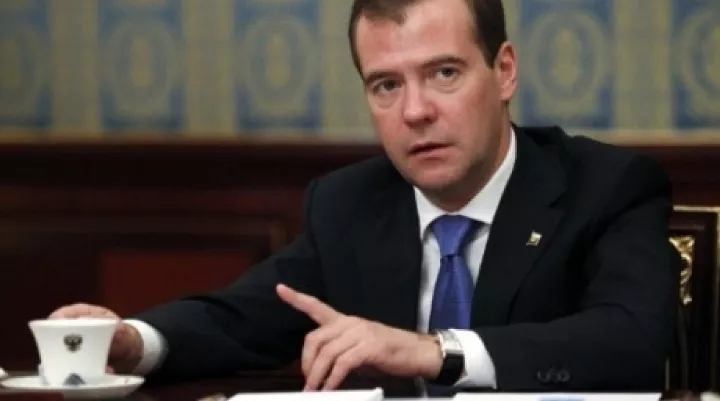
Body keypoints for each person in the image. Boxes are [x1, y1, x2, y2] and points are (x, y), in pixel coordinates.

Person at [50, 0, 680, 394]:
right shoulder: (350, 203)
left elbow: (632, 342)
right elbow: (242, 318)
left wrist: (433, 350)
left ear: (504, 71)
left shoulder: (606, 186)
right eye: (386, 85)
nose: (415, 111)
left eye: (444, 73)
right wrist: (132, 340)